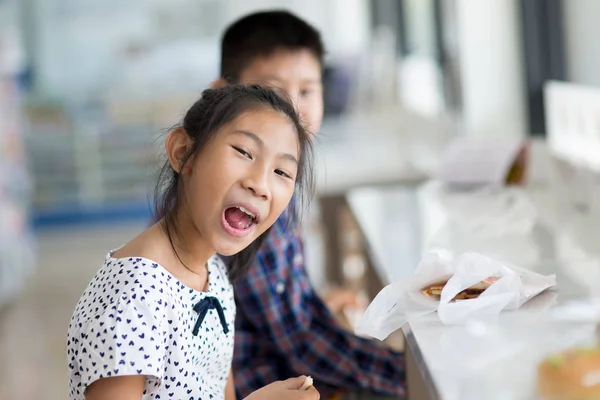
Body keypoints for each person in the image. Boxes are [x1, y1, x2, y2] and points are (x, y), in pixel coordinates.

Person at [66, 84, 319, 400]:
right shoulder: (133, 296)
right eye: (243, 152)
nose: (261, 185)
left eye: (282, 171)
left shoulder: (213, 275)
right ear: (183, 152)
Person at [215, 11, 407, 400]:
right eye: (272, 91)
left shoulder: (269, 177)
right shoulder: (245, 203)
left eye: (307, 90)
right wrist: (408, 380)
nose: (293, 110)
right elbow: (300, 342)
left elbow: (287, 314)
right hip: (265, 386)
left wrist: (311, 303)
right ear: (223, 93)